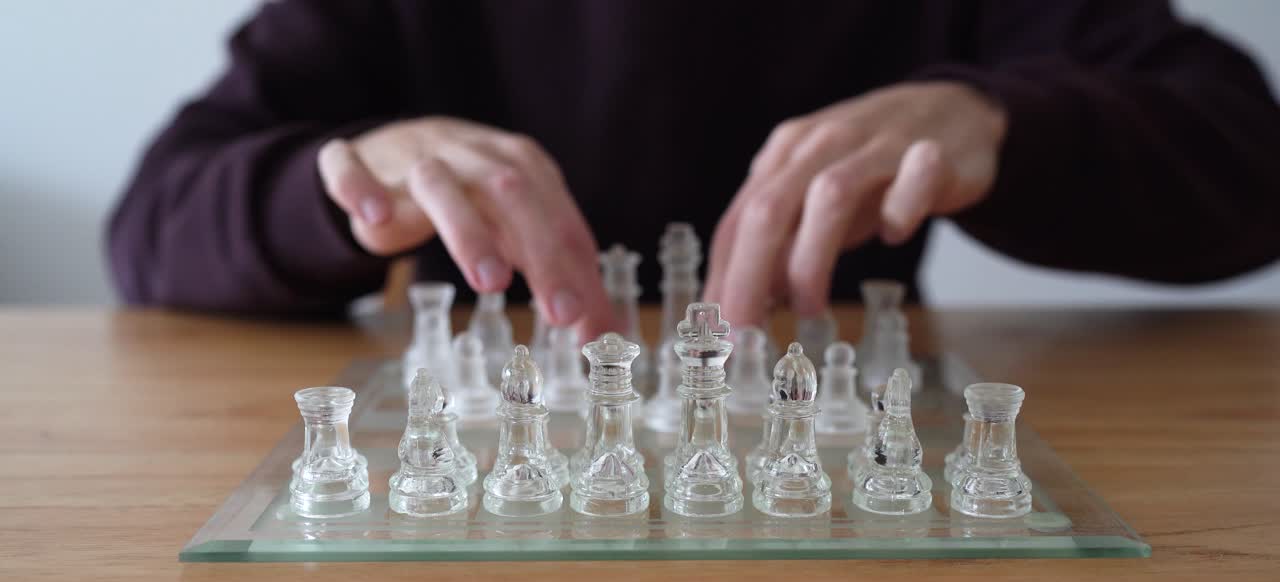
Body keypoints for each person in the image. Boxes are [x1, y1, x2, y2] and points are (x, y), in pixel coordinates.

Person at [109, 0, 1280, 335]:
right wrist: (344, 189)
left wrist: (1006, 122)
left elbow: (1250, 170)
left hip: (845, 503)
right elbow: (152, 223)